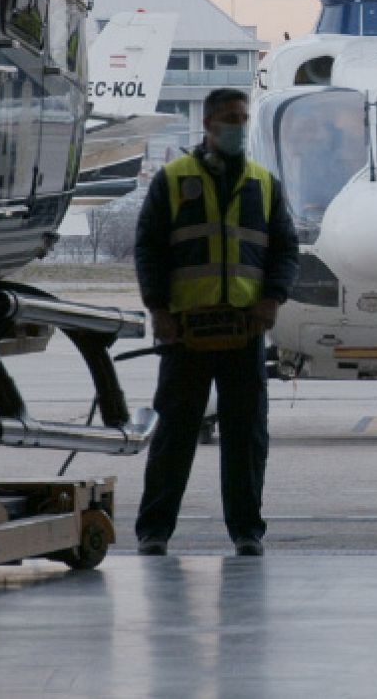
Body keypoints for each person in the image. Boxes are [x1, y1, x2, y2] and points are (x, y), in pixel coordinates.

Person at [133, 88, 299, 556]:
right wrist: (158, 308)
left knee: (246, 435)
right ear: (208, 124)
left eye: (244, 118)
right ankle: (154, 530)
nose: (239, 127)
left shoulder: (263, 183)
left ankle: (247, 531)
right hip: (186, 331)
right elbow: (149, 248)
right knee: (175, 432)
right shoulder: (172, 179)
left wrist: (272, 299)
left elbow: (285, 250)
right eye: (230, 119)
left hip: (244, 331)